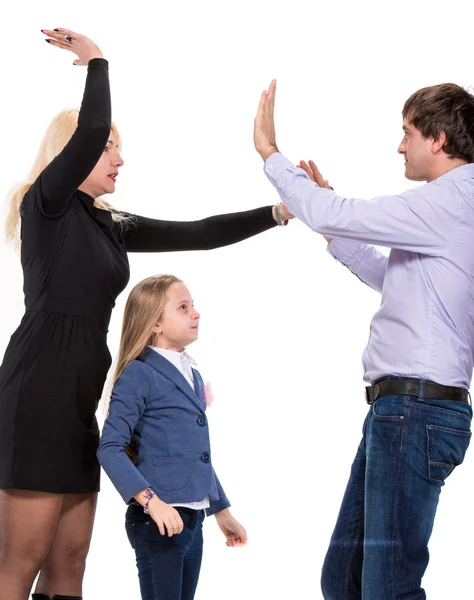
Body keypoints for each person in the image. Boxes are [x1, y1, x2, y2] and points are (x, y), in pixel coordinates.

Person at [0, 30, 290, 600]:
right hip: (37, 395)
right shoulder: (46, 205)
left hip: (82, 400)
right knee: (22, 559)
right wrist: (97, 62)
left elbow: (199, 233)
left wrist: (281, 212)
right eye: (109, 147)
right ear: (73, 154)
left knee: (71, 561)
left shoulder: (108, 222)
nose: (119, 156)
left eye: (116, 147)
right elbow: (85, 133)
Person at [254, 80, 474, 599]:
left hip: (415, 409)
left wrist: (270, 154)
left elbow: (338, 212)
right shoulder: (447, 210)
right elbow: (393, 280)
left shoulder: (448, 201)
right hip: (403, 410)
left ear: (438, 139)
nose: (400, 146)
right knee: (344, 580)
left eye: (407, 133)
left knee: (386, 589)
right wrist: (328, 216)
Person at [97, 274, 246, 600]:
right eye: (183, 307)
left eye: (192, 306)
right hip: (158, 522)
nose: (196, 313)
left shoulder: (192, 374)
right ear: (155, 324)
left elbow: (194, 453)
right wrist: (152, 502)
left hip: (192, 523)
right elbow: (109, 448)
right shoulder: (139, 373)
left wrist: (221, 510)